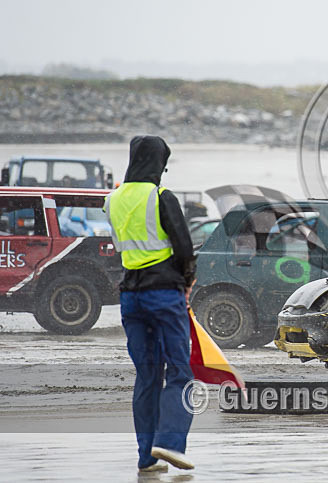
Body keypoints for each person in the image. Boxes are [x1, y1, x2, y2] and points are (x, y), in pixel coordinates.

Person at [104, 136, 197, 472]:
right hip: (164, 294)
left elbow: (121, 246)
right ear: (159, 163)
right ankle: (170, 443)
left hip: (130, 296)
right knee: (180, 371)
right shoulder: (160, 196)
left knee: (147, 375)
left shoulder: (112, 199)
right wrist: (187, 283)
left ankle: (147, 458)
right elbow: (184, 248)